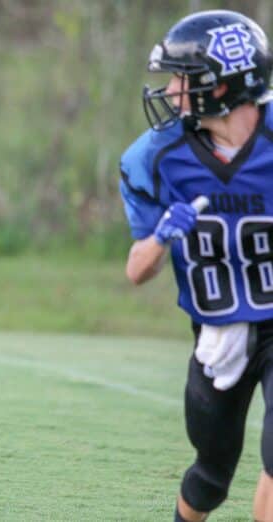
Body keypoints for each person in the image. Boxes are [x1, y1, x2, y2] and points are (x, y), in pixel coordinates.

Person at [119, 9, 273, 522]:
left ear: (223, 85)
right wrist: (162, 236)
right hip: (219, 330)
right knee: (210, 476)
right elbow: (137, 271)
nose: (170, 91)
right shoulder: (156, 158)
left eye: (182, 78)